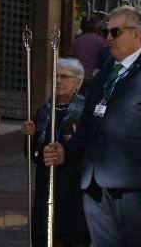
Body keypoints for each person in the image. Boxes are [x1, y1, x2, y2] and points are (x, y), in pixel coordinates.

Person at [43, 6, 141, 247]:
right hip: (95, 183)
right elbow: (89, 123)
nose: (107, 38)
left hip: (134, 185)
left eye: (115, 32)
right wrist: (67, 151)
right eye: (105, 32)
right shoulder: (106, 71)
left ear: (136, 34)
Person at [22, 57, 89, 247]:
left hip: (73, 187)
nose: (58, 80)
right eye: (56, 76)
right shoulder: (45, 110)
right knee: (45, 235)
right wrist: (31, 135)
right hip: (47, 186)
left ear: (78, 82)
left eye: (64, 77)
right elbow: (32, 155)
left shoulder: (86, 112)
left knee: (70, 237)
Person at [71, 17, 105, 81]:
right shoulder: (101, 41)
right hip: (94, 77)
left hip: (78, 76)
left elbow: (71, 56)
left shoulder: (78, 40)